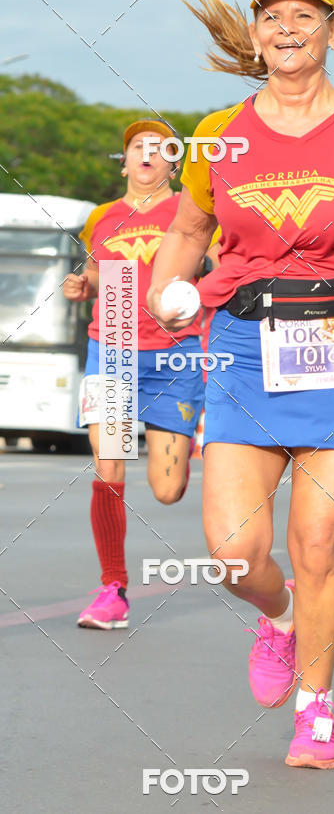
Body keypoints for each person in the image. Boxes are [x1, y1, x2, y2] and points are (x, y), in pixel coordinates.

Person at [147, 0, 334, 769]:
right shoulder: (218, 134)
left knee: (319, 542)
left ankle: (316, 707)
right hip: (243, 347)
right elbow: (187, 229)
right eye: (272, 15)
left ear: (332, 32)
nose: (287, 28)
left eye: (305, 16)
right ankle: (278, 618)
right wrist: (163, 290)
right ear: (255, 33)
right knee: (236, 551)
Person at [63, 118, 210, 629]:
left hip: (175, 358)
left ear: (174, 163)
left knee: (168, 489)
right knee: (109, 467)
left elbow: (215, 266)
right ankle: (113, 588)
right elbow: (101, 271)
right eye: (137, 148)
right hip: (114, 350)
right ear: (123, 161)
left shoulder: (191, 211)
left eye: (160, 148)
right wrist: (83, 285)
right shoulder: (102, 218)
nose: (147, 154)